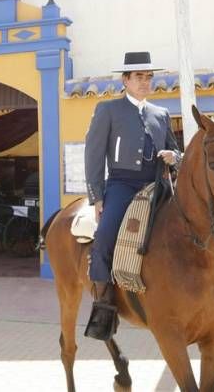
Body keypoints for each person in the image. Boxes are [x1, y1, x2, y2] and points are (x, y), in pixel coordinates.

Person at [83, 51, 181, 341]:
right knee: (104, 237)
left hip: (156, 185)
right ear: (125, 80)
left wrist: (173, 156)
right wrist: (97, 197)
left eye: (149, 77)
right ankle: (103, 305)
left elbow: (178, 151)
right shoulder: (108, 110)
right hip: (121, 185)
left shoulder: (161, 114)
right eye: (139, 76)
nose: (145, 81)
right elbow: (93, 154)